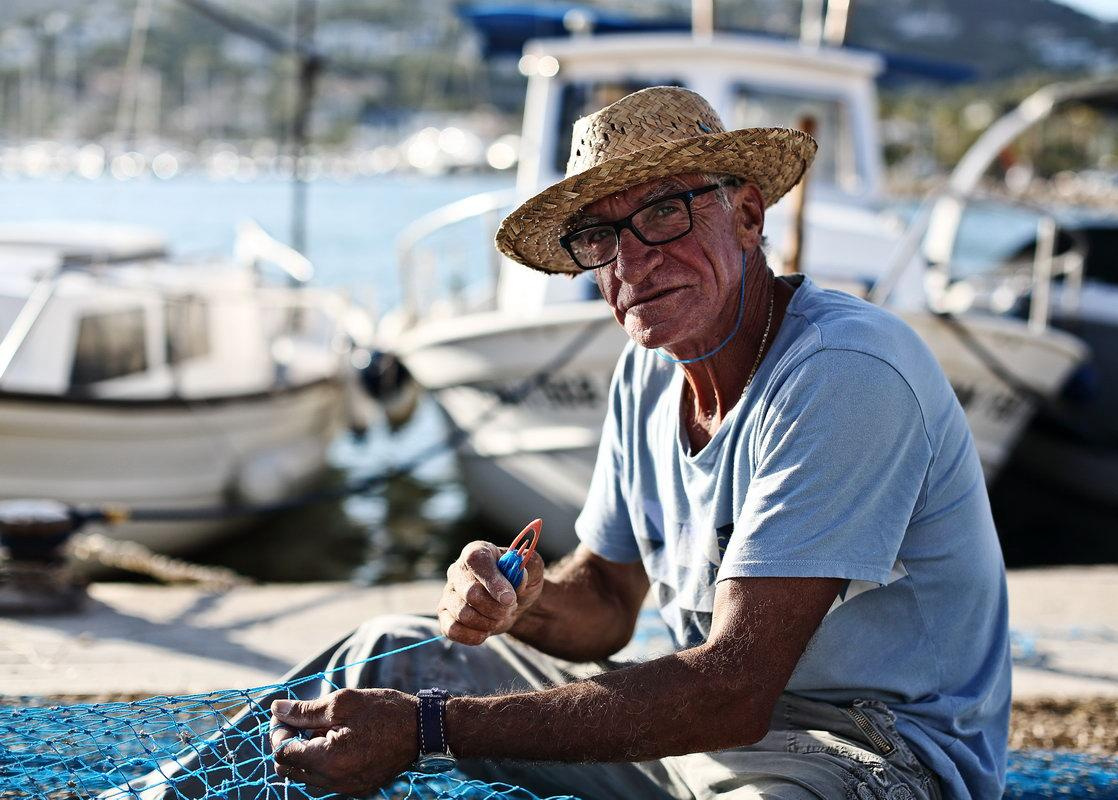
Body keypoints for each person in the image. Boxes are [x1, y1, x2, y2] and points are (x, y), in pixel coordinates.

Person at [260, 86, 1009, 800]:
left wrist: (427, 727)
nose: (631, 262)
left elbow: (733, 691)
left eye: (664, 213)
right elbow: (611, 602)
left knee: (416, 705)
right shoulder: (647, 376)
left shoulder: (844, 371)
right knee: (393, 645)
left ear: (747, 214)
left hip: (867, 755)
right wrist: (524, 599)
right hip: (700, 739)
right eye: (598, 237)